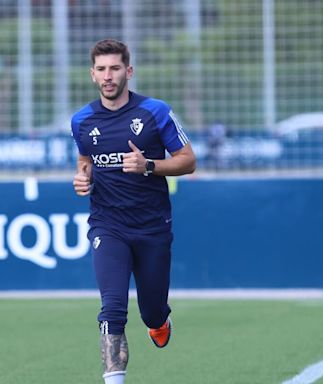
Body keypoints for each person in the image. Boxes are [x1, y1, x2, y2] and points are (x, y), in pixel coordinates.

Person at [71, 39, 196, 384]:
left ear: (128, 71)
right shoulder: (82, 121)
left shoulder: (154, 112)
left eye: (114, 68)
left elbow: (188, 161)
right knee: (112, 309)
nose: (108, 76)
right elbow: (85, 162)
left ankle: (159, 321)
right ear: (92, 75)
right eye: (101, 70)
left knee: (151, 310)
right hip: (107, 225)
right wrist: (82, 179)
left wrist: (148, 165)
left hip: (152, 226)